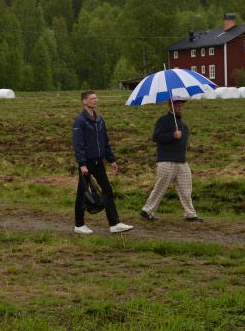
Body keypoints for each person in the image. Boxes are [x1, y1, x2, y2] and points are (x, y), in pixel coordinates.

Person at [72, 91, 133, 234]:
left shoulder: (100, 120)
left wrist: (111, 159)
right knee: (82, 194)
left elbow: (105, 142)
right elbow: (78, 144)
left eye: (96, 98)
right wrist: (82, 164)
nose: (96, 100)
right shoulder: (80, 121)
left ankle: (114, 223)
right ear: (84, 101)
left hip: (99, 162)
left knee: (107, 190)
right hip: (86, 164)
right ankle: (79, 225)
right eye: (92, 99)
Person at [139, 96, 202, 222]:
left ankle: (190, 214)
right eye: (177, 104)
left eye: (181, 104)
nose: (180, 106)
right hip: (166, 161)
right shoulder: (162, 121)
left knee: (186, 188)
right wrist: (172, 135)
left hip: (182, 161)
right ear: (171, 105)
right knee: (161, 187)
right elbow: (156, 137)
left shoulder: (183, 125)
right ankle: (147, 211)